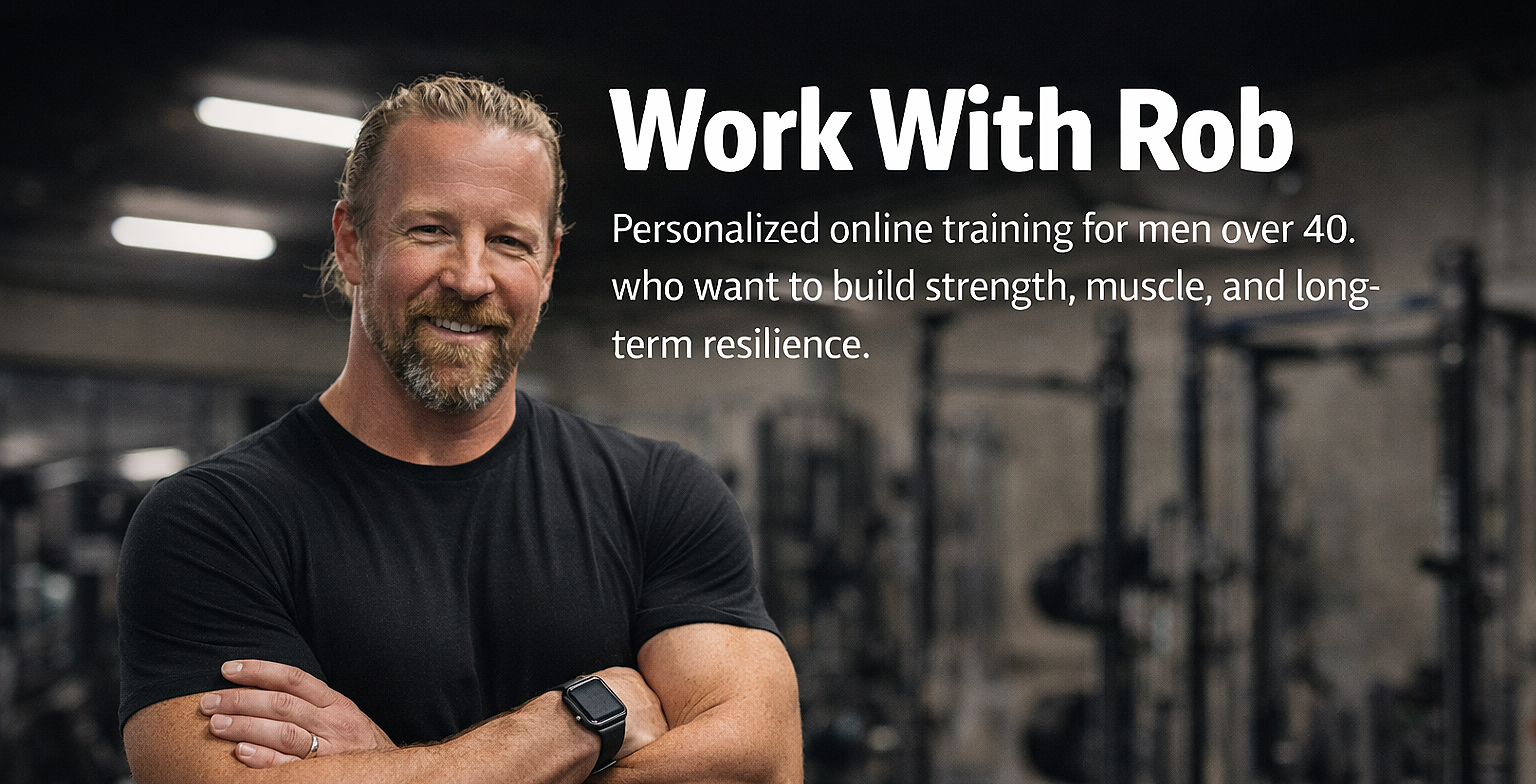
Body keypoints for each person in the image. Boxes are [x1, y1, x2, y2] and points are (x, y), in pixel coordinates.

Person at [116, 75, 802, 784]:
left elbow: (760, 766)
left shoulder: (659, 494)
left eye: (509, 241)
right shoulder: (214, 522)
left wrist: (391, 769)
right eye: (431, 230)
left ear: (548, 267)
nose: (472, 278)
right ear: (351, 242)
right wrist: (582, 719)